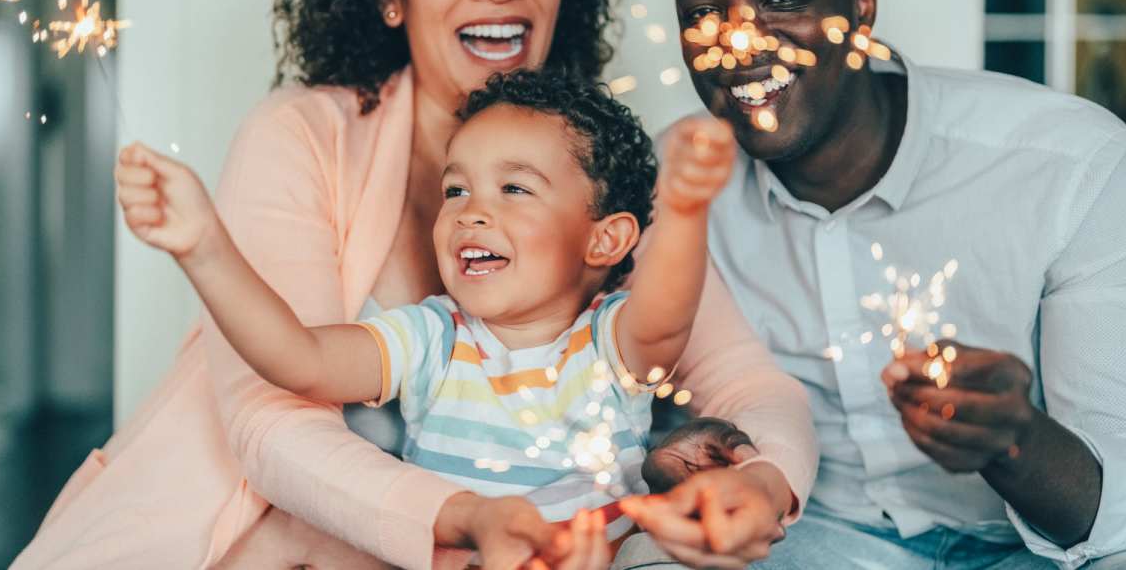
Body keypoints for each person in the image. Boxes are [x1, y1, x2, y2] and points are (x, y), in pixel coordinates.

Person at [13, 0, 816, 567]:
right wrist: (204, 246)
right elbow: (276, 408)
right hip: (245, 543)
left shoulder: (592, 163)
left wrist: (767, 479)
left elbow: (734, 372)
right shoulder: (302, 135)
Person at [622, 0, 1126, 569]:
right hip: (809, 540)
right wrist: (678, 452)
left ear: (861, 8)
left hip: (1033, 550)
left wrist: (1015, 443)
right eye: (702, 13)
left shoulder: (1071, 164)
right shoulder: (671, 182)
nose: (738, 42)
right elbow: (654, 385)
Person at [116, 67, 737, 564]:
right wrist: (205, 248)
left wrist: (684, 210)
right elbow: (298, 360)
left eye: (514, 189)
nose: (471, 212)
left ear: (604, 240)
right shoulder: (430, 337)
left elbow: (664, 318)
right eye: (456, 189)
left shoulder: (610, 340)